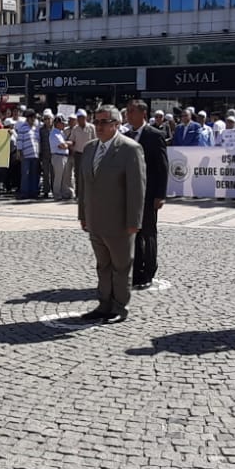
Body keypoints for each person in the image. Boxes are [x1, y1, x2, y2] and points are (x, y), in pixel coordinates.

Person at [76, 105, 145, 323]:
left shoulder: (129, 149)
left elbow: (137, 188)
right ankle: (103, 303)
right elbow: (83, 185)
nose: (98, 126)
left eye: (104, 122)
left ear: (116, 124)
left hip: (119, 222)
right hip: (95, 220)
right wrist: (82, 214)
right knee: (102, 265)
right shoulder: (89, 148)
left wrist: (134, 221)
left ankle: (119, 307)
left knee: (121, 266)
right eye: (96, 122)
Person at [127, 100, 168, 291]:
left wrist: (160, 194)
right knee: (132, 232)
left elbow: (162, 167)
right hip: (129, 193)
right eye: (127, 111)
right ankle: (135, 272)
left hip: (149, 193)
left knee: (148, 233)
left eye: (132, 111)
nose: (128, 115)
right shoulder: (126, 136)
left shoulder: (154, 135)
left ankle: (149, 271)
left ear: (143, 113)